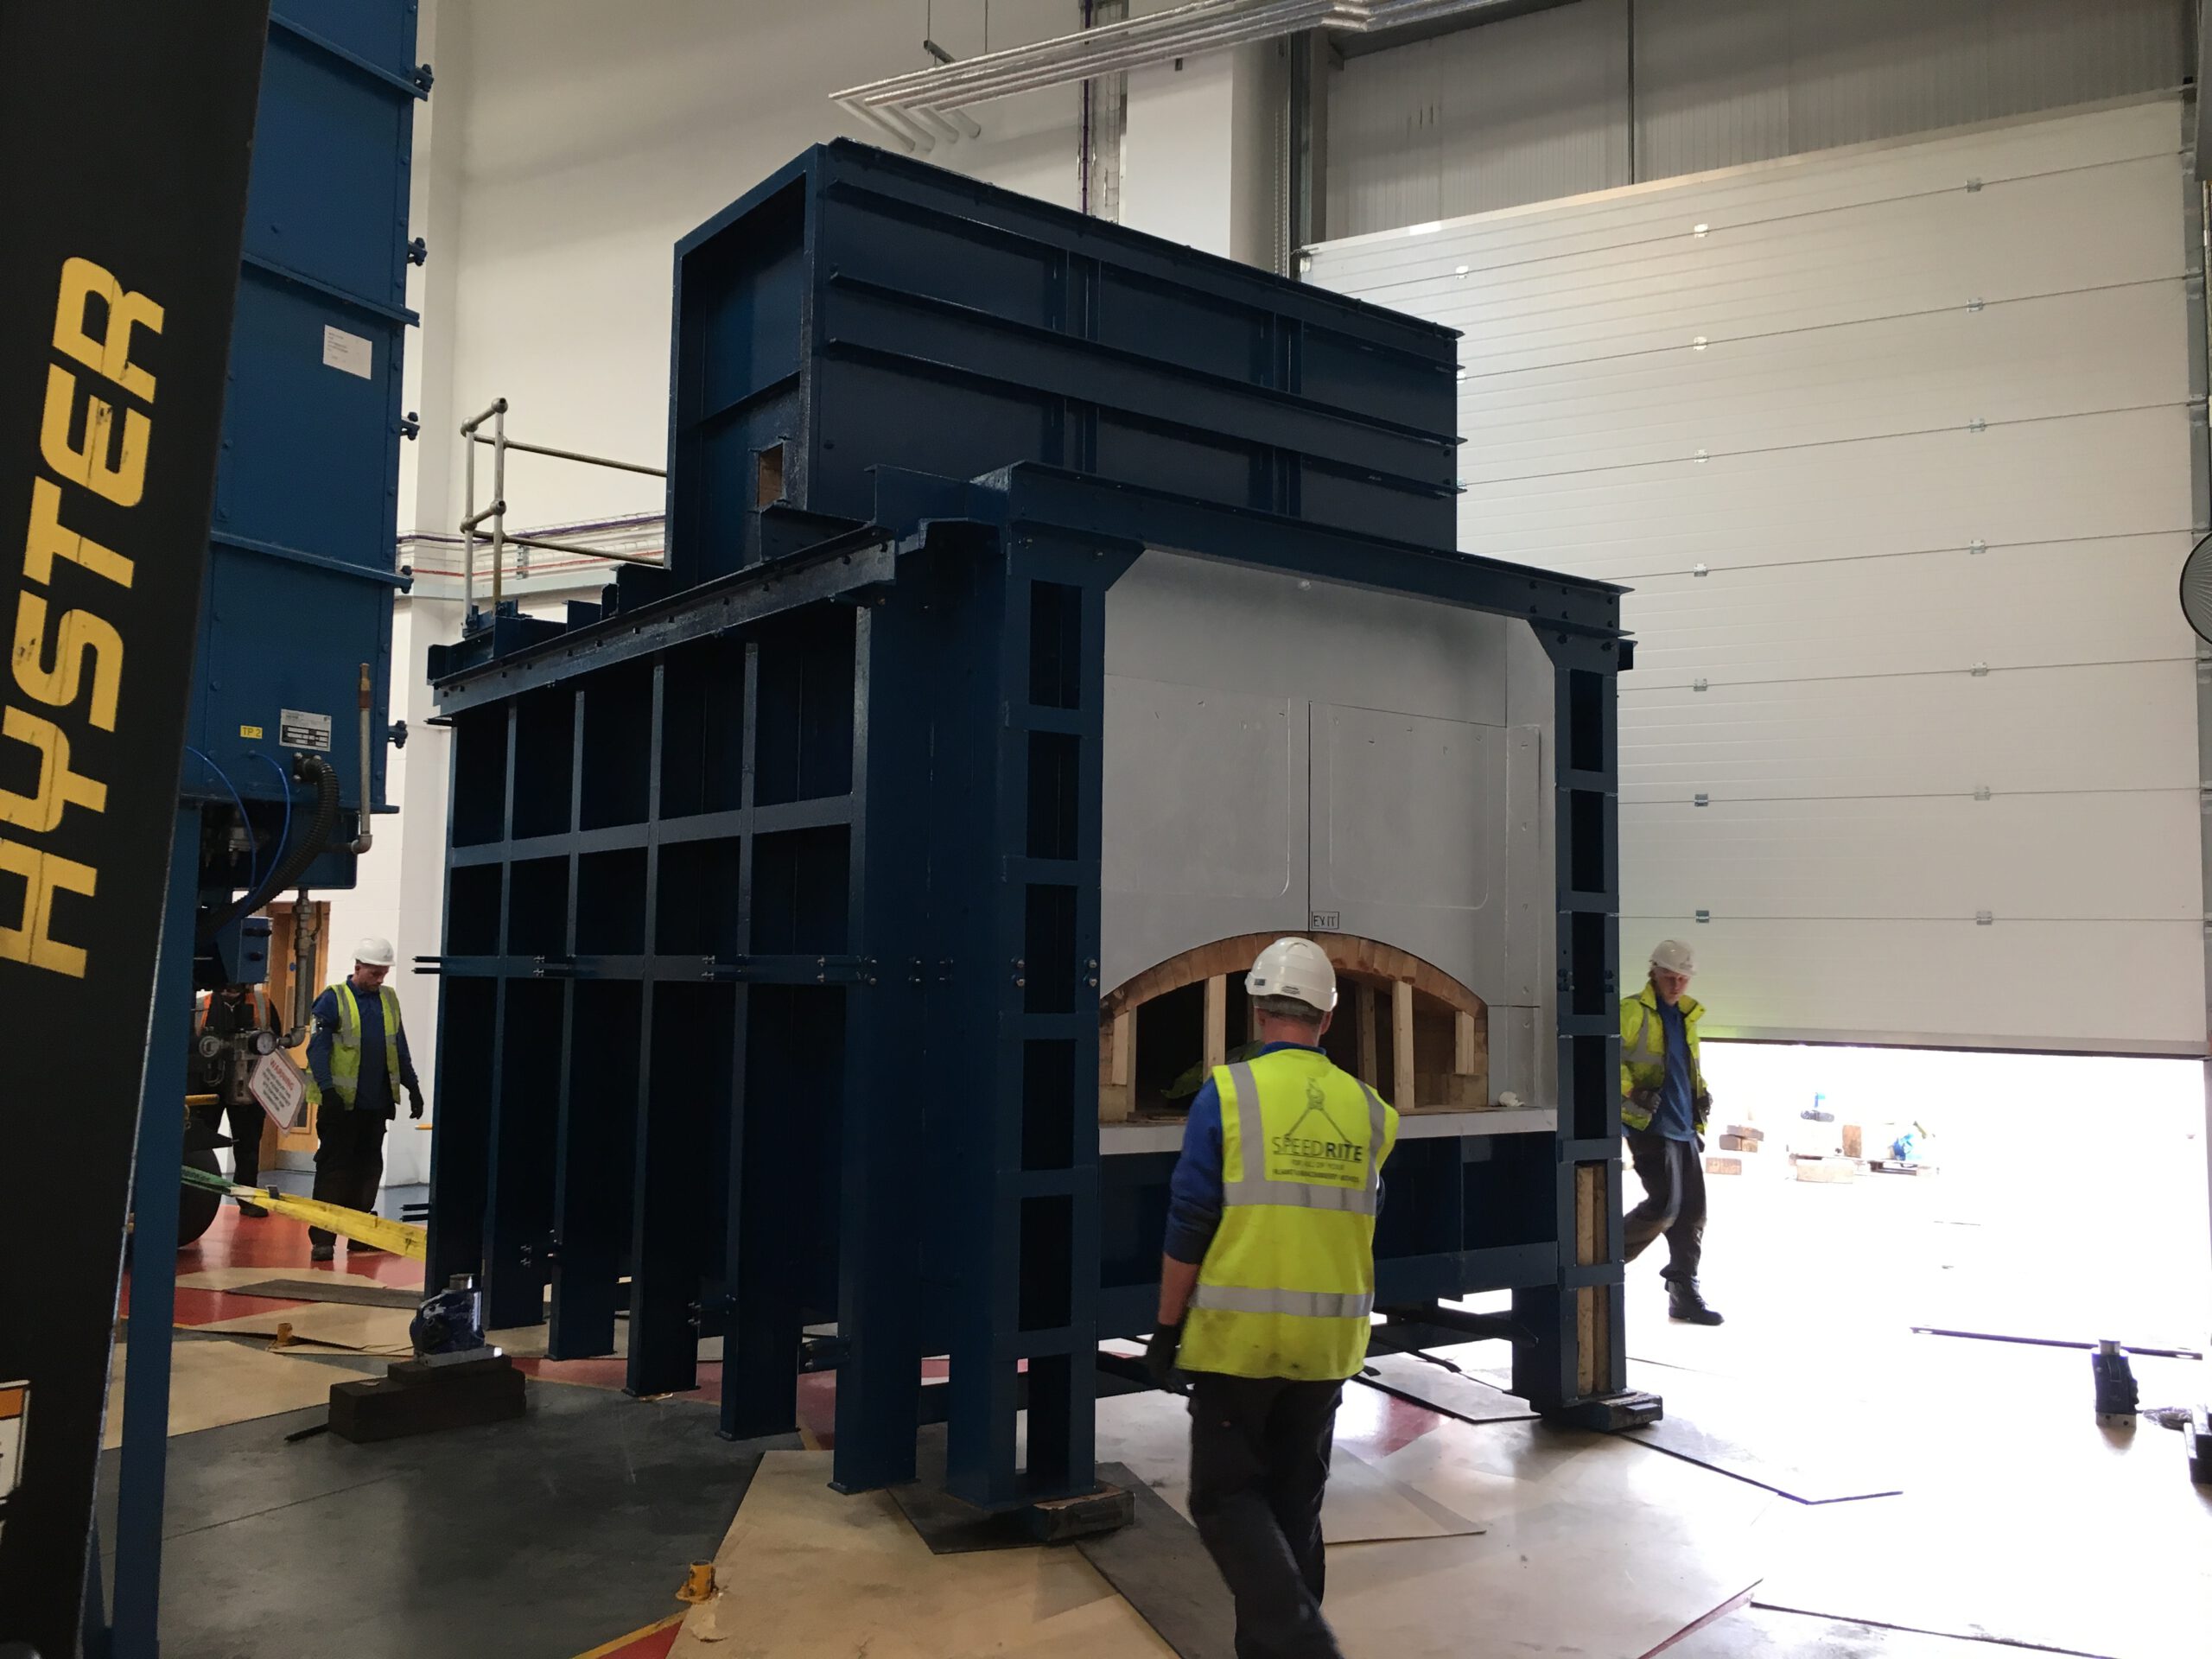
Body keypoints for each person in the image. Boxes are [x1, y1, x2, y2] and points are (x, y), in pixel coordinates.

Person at [1145, 938, 1399, 1659]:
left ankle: (1299, 1640)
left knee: (1224, 1500)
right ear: (1329, 1016)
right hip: (1327, 1348)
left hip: (1238, 1343)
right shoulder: (1371, 1112)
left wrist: (1166, 1329)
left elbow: (1190, 1222)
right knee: (1293, 1512)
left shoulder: (1225, 1095)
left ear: (1257, 1010)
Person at [1619, 938, 1722, 1325]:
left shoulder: (1687, 1017)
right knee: (1665, 1206)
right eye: (1669, 976)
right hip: (1650, 1124)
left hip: (1683, 1125)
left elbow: (1686, 1068)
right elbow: (1604, 1057)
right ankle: (1601, 1260)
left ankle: (1683, 1292)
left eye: (1682, 978)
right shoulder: (1631, 1011)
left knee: (1692, 1214)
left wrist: (1699, 1110)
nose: (1676, 984)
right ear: (1654, 973)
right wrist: (1629, 1091)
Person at [304, 937, 423, 1262]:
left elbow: (399, 1046)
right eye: (374, 973)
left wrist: (412, 1087)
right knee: (334, 1171)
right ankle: (323, 1239)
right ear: (358, 967)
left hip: (375, 1104)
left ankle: (360, 1236)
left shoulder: (389, 999)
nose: (380, 979)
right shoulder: (332, 999)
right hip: (341, 1106)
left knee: (368, 1170)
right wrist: (328, 1090)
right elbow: (318, 1048)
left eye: (384, 972)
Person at [189, 983, 282, 1217]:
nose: (230, 988)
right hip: (208, 1087)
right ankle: (198, 1198)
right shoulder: (202, 1006)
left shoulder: (263, 1004)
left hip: (249, 1087)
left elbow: (276, 1044)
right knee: (201, 1145)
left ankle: (247, 1197)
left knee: (248, 1145)